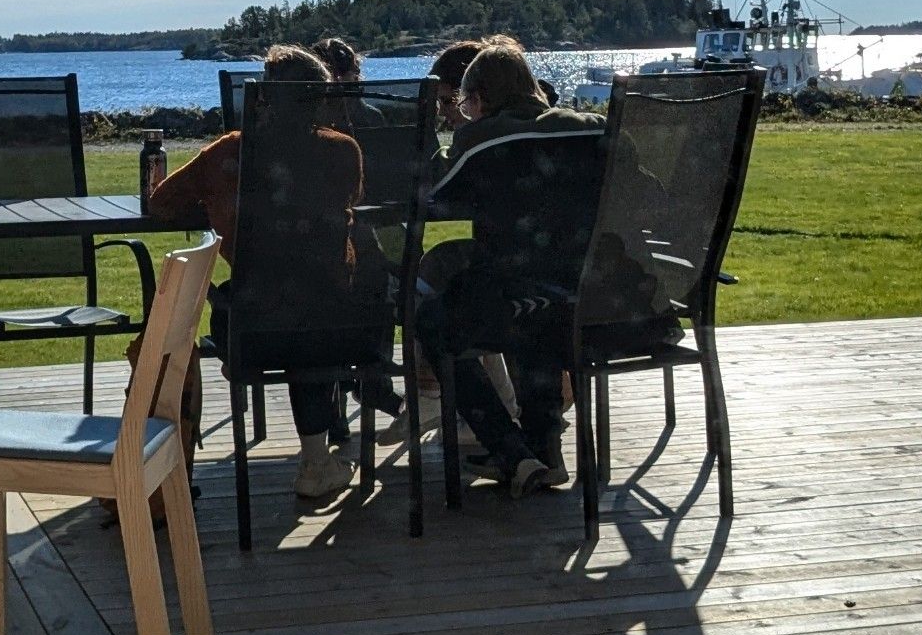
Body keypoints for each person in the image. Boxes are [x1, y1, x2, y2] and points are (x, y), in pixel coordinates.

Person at [147, 44, 367, 502]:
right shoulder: (343, 152)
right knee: (313, 306)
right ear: (321, 98)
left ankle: (313, 459)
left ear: (263, 96)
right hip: (339, 327)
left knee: (280, 307)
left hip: (252, 327)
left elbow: (163, 201)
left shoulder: (231, 153)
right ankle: (315, 458)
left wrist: (216, 204)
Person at [419, 37, 604, 493]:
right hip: (597, 299)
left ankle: (511, 451)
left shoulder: (481, 138)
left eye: (464, 102)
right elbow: (645, 186)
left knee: (432, 321)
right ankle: (543, 450)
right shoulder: (594, 128)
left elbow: (434, 191)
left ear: (478, 100)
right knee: (532, 302)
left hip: (520, 299)